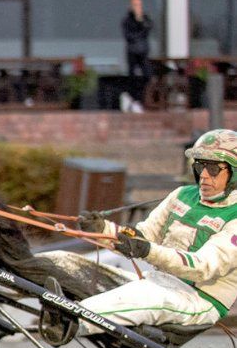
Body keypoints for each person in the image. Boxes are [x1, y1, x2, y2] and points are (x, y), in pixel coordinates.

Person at [61, 130, 237, 335]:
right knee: (63, 261)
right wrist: (103, 230)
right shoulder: (182, 195)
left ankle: (70, 322)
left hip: (198, 300)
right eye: (199, 166)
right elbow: (143, 237)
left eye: (214, 169)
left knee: (139, 293)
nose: (204, 175)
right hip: (156, 282)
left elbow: (202, 267)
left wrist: (148, 251)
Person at [122, 0, 152, 113]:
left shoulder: (145, 19)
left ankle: (139, 99)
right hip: (132, 51)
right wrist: (138, 31)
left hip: (143, 51)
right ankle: (133, 99)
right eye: (135, 5)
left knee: (147, 75)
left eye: (139, 5)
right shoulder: (127, 21)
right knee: (132, 77)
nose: (137, 7)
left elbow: (148, 28)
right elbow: (128, 35)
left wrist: (140, 21)